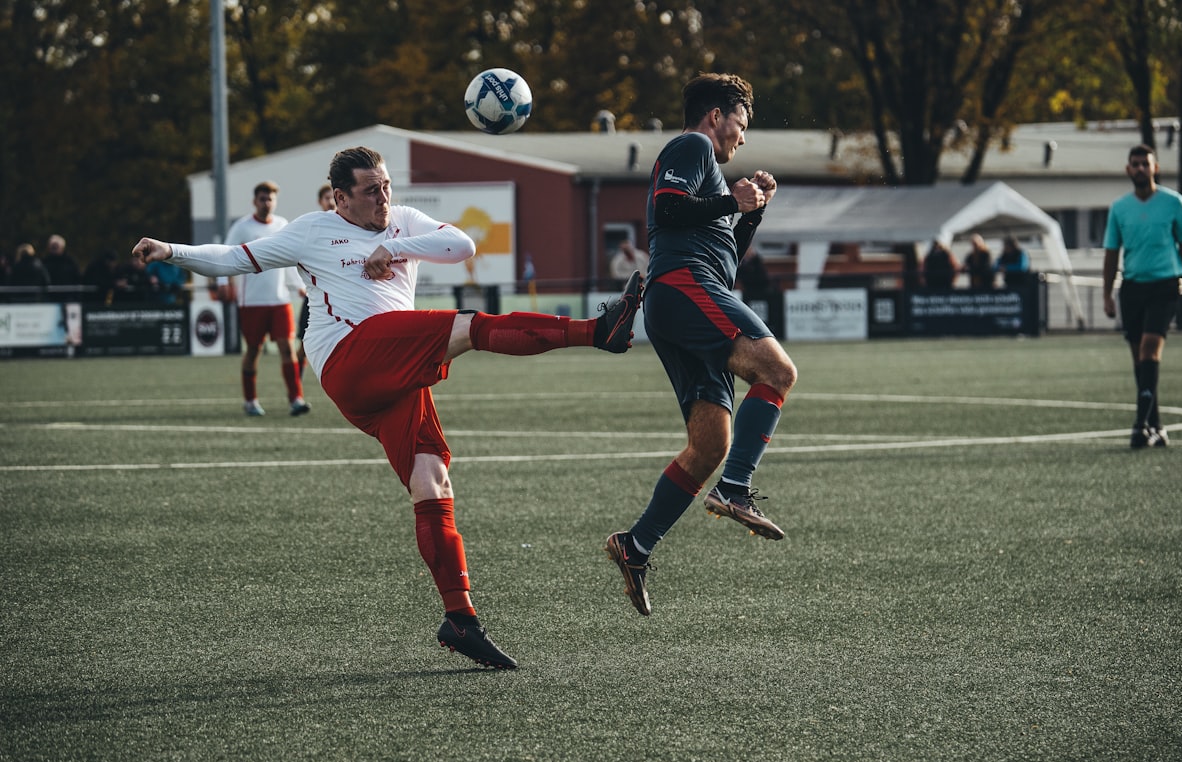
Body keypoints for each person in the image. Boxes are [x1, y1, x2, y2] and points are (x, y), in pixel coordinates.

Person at [131, 145, 644, 669]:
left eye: (386, 186)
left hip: (392, 370)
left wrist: (397, 248)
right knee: (468, 325)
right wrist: (170, 250)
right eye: (370, 190)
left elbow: (462, 244)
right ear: (340, 198)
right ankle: (599, 331)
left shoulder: (403, 221)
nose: (383, 198)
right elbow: (233, 258)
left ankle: (460, 620)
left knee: (432, 480)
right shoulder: (312, 230)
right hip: (349, 356)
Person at [604, 73, 796, 617]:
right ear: (716, 116)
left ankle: (635, 546)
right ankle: (736, 490)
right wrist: (729, 199)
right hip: (684, 288)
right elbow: (666, 211)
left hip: (689, 294)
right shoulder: (691, 145)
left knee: (710, 445)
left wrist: (750, 212)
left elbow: (726, 259)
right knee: (777, 372)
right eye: (741, 123)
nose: (742, 137)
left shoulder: (710, 176)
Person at [1102, 143, 1182, 448]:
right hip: (1132, 288)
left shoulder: (1174, 203)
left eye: (1146, 163)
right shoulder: (1119, 208)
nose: (1141, 168)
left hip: (1165, 286)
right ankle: (1156, 425)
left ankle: (1139, 425)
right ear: (1128, 170)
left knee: (1148, 349)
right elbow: (1111, 252)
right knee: (1139, 360)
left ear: (1155, 167)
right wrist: (1107, 294)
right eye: (1136, 164)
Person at [221, 181, 310, 417]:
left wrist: (299, 286)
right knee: (253, 350)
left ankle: (296, 399)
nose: (266, 203)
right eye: (262, 198)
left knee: (287, 348)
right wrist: (222, 283)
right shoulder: (242, 227)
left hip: (279, 301)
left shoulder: (282, 225)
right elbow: (224, 254)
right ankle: (250, 400)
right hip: (252, 302)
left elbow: (291, 259)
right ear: (255, 201)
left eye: (270, 198)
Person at [296, 184, 336, 381]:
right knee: (304, 342)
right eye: (326, 198)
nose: (330, 202)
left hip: (341, 294)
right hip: (316, 294)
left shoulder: (352, 226)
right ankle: (296, 388)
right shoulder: (313, 227)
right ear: (320, 202)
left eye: (332, 197)